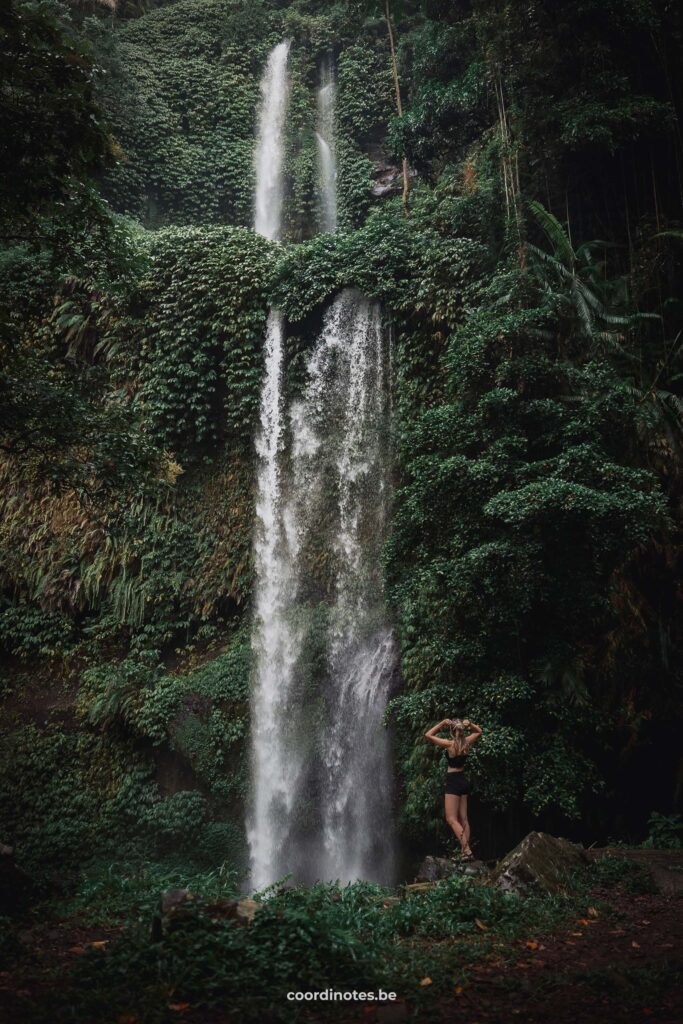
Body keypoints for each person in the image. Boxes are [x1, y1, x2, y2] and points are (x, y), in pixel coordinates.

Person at [423, 716, 483, 861]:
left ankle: (467, 851)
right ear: (462, 731)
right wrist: (471, 724)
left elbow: (428, 735)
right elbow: (479, 732)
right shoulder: (467, 742)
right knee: (464, 819)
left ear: (452, 731)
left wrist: (442, 722)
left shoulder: (449, 744)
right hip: (463, 780)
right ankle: (465, 852)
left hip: (453, 782)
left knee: (451, 819)